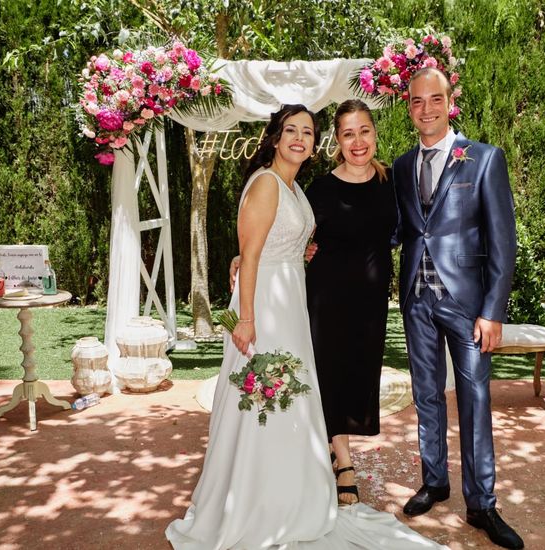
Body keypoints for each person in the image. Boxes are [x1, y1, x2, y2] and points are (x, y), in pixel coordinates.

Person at [166, 104, 445, 550]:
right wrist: (247, 309)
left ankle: (287, 489)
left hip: (297, 299)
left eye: (307, 132)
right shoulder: (274, 184)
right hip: (275, 306)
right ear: (276, 137)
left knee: (293, 396)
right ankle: (258, 497)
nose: (300, 138)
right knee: (265, 396)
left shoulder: (302, 186)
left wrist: (292, 252)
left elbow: (291, 239)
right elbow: (254, 248)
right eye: (291, 130)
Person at [393, 68, 524, 550]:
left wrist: (493, 310)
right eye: (415, 101)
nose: (424, 109)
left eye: (434, 99)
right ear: (408, 106)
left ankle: (482, 503)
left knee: (474, 400)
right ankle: (435, 481)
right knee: (426, 396)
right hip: (417, 301)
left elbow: (502, 241)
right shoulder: (403, 165)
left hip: (468, 307)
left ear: (450, 102)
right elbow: (402, 230)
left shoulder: (484, 160)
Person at [304, 99, 397, 505]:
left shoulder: (393, 182)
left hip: (371, 303)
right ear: (337, 142)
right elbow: (287, 232)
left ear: (375, 133)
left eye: (364, 131)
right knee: (330, 376)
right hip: (327, 299)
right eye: (347, 134)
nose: (357, 141)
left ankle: (331, 444)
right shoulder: (320, 189)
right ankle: (344, 462)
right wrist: (243, 255)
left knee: (359, 375)